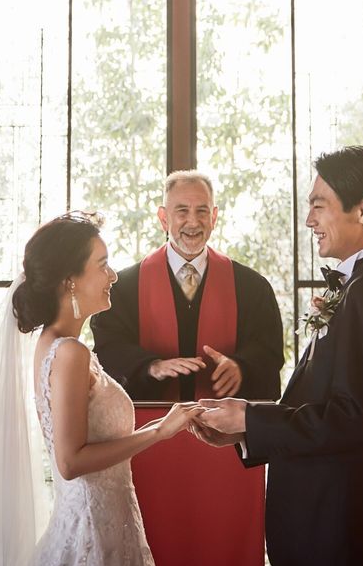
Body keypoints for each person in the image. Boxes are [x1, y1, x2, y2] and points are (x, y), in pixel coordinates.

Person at [0, 212, 203, 566]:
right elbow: (70, 461)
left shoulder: (59, 346)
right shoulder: (69, 353)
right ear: (70, 280)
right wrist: (158, 431)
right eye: (103, 265)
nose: (113, 276)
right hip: (90, 537)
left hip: (107, 527)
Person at [192, 146, 363, 566]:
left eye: (319, 205)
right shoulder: (359, 286)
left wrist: (249, 419)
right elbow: (331, 406)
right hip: (331, 537)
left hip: (343, 532)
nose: (309, 220)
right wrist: (244, 428)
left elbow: (354, 418)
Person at [91, 170, 283, 402]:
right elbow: (109, 350)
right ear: (164, 218)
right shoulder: (123, 289)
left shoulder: (252, 288)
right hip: (149, 423)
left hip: (224, 421)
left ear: (213, 217)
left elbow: (268, 351)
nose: (193, 222)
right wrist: (150, 367)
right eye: (182, 211)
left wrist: (242, 368)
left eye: (202, 211)